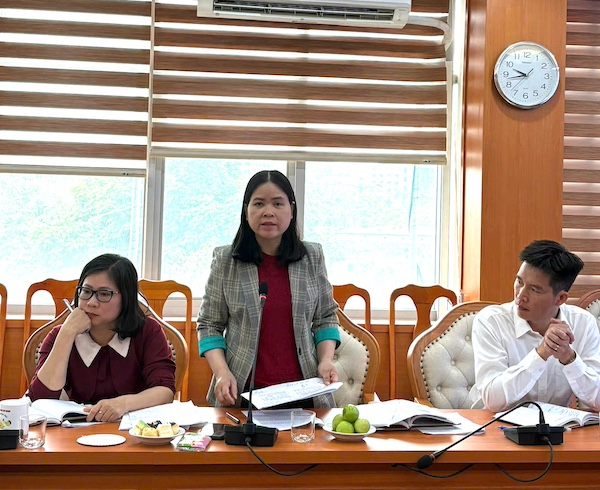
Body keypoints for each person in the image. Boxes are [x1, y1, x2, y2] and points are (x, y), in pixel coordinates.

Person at [197, 170, 340, 408]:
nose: (268, 212)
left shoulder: (312, 256)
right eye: (259, 203)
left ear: (291, 210)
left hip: (304, 391)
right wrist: (222, 372)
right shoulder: (226, 261)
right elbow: (209, 324)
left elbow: (325, 317)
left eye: (277, 203)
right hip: (242, 392)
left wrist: (326, 360)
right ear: (246, 211)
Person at [27, 253, 176, 422]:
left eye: (104, 294)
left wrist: (123, 404)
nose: (91, 302)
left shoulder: (148, 331)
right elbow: (39, 399)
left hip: (134, 431)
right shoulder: (60, 334)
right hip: (72, 432)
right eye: (86, 291)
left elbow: (165, 391)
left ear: (126, 297)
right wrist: (67, 334)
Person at [473, 239, 600, 412]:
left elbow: (598, 400)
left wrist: (569, 357)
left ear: (560, 298)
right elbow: (493, 400)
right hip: (493, 424)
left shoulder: (583, 324)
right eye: (519, 282)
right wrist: (541, 354)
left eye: (534, 289)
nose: (521, 295)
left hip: (555, 427)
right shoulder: (491, 321)